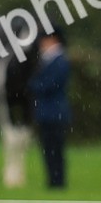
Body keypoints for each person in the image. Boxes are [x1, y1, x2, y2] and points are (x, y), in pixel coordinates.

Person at [28, 26, 71, 188]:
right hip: (46, 113)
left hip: (55, 113)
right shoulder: (47, 60)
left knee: (56, 149)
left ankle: (58, 181)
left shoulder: (60, 61)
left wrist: (32, 85)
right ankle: (53, 180)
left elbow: (49, 85)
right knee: (48, 149)